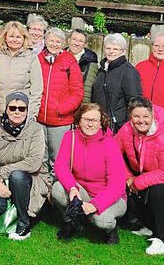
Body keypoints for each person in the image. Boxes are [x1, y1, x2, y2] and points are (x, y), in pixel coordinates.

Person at [115, 97, 164, 255]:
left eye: (146, 116)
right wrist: (128, 177)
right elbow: (114, 152)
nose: (141, 121)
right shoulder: (127, 129)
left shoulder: (163, 137)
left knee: (158, 192)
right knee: (128, 189)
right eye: (136, 116)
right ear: (130, 117)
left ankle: (162, 241)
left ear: (152, 116)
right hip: (150, 170)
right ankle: (149, 226)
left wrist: (138, 182)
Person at [52, 103, 127, 244]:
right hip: (83, 190)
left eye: (94, 120)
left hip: (109, 196)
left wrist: (95, 204)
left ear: (101, 123)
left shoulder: (110, 144)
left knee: (101, 220)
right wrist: (72, 187)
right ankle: (73, 223)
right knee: (57, 189)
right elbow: (61, 166)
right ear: (79, 121)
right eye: (86, 119)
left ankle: (110, 230)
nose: (90, 124)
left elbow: (117, 185)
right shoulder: (70, 137)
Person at [0, 91, 49, 240]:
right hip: (1, 179)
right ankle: (10, 211)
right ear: (6, 109)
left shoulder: (36, 129)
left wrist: (4, 171)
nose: (17, 112)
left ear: (27, 110)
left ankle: (24, 224)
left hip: (29, 177)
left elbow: (35, 161)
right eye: (12, 108)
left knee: (17, 175)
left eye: (21, 108)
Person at [37, 27, 83, 176]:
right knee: (40, 158)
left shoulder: (70, 61)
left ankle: (56, 193)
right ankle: (42, 192)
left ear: (63, 44)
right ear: (45, 41)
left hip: (60, 121)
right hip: (39, 118)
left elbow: (77, 92)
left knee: (57, 160)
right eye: (51, 40)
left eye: (58, 41)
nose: (54, 44)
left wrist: (61, 109)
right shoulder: (38, 58)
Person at [0, 21, 42, 121]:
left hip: (19, 115)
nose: (14, 40)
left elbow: (36, 91)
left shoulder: (31, 58)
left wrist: (31, 115)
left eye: (18, 37)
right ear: (5, 37)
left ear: (24, 38)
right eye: (11, 36)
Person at [92, 33, 142, 133]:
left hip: (117, 126)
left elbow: (134, 101)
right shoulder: (102, 69)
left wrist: (126, 126)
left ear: (123, 51)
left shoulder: (129, 71)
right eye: (108, 48)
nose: (111, 52)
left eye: (115, 49)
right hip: (98, 122)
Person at [67, 29, 98, 104]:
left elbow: (87, 90)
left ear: (85, 44)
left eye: (81, 41)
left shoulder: (90, 62)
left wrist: (82, 111)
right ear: (69, 40)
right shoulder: (59, 57)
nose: (77, 43)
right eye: (74, 39)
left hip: (78, 106)